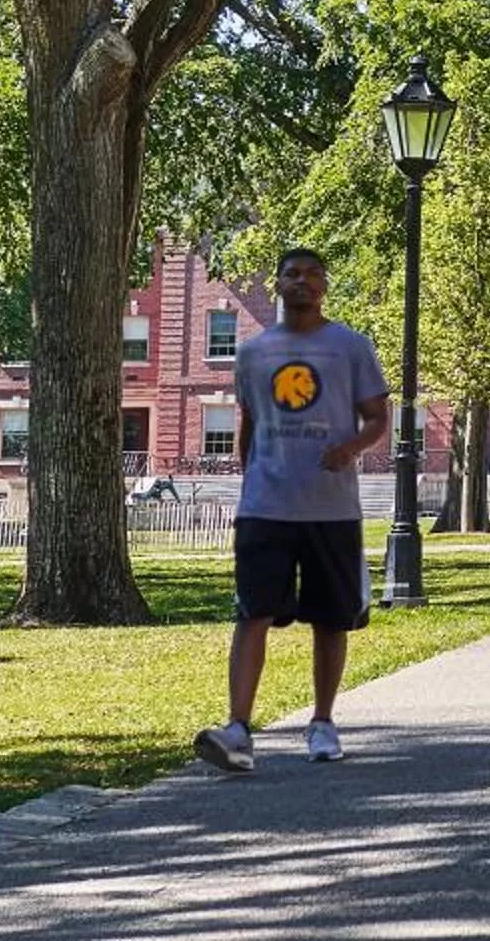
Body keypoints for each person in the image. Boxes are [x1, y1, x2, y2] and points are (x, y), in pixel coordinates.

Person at [195, 247, 391, 774]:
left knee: (330, 619)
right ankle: (238, 729)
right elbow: (249, 423)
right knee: (252, 612)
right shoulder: (253, 353)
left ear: (325, 284)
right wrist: (251, 476)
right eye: (291, 274)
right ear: (277, 284)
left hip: (331, 509)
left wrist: (351, 448)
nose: (301, 282)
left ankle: (323, 722)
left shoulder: (351, 347)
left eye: (311, 274)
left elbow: (378, 417)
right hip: (266, 506)